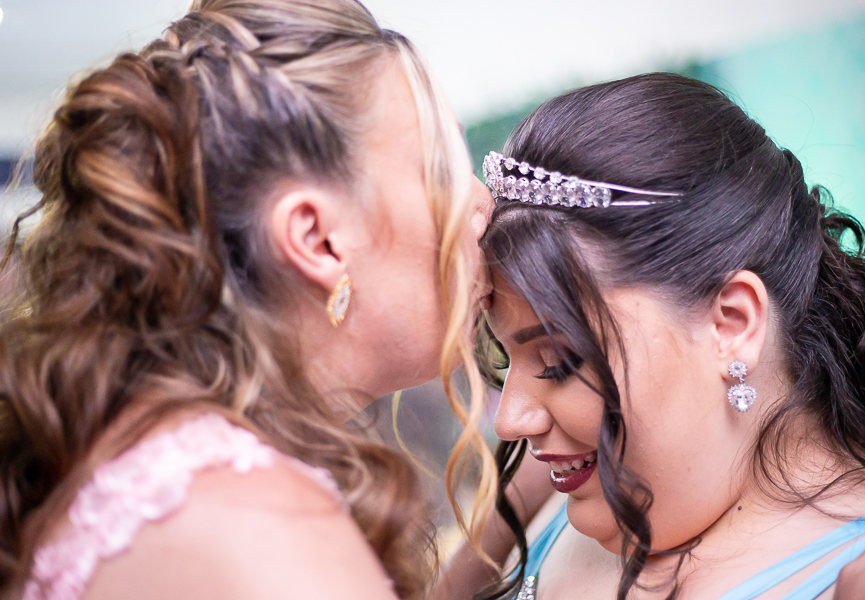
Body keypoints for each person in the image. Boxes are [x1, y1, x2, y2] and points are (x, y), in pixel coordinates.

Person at [0, 1, 499, 598]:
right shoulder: (260, 531)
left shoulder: (169, 467)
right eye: (442, 168)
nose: (482, 202)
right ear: (318, 239)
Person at [477, 73, 865, 600]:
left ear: (733, 323)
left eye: (560, 360)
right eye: (505, 356)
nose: (510, 420)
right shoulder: (552, 485)